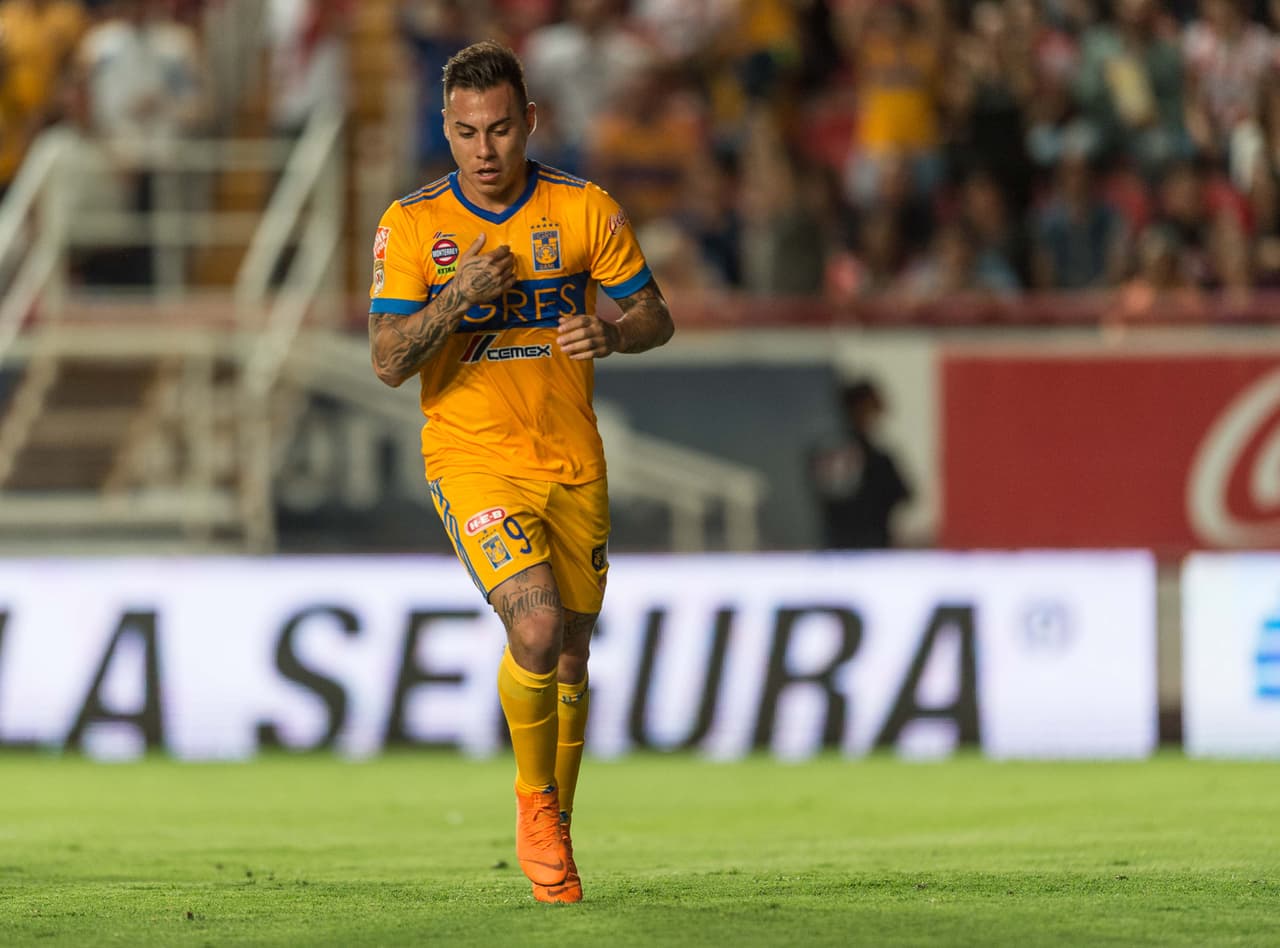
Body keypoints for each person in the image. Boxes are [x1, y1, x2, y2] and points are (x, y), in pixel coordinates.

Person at [366, 41, 674, 904]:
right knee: (535, 629)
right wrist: (457, 295)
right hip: (471, 458)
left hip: (570, 458)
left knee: (571, 656)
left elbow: (656, 313)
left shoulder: (584, 209)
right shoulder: (414, 225)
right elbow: (389, 360)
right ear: (446, 128)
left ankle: (557, 833)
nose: (484, 150)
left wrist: (614, 333)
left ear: (529, 120)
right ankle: (534, 805)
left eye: (500, 129)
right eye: (465, 133)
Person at [808, 379, 912, 550]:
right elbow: (903, 494)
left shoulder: (823, 452)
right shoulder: (876, 459)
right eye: (871, 410)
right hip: (870, 547)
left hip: (836, 546)